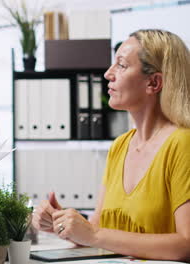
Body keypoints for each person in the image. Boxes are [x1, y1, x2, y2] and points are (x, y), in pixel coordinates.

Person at [32, 29, 190, 261]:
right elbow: (98, 230)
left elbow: (186, 245)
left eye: (122, 65)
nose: (108, 74)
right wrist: (61, 222)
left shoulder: (182, 143)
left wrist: (94, 234)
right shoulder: (120, 146)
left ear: (153, 82)